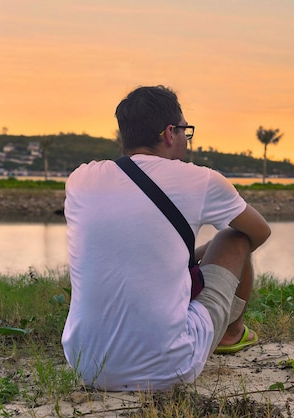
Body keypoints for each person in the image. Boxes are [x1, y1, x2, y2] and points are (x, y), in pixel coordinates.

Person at [61, 85, 271, 391]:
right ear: (170, 133)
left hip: (85, 364)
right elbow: (259, 232)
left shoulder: (81, 179)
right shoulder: (201, 179)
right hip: (168, 368)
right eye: (186, 131)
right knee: (234, 237)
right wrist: (212, 251)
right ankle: (231, 332)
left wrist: (189, 256)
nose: (187, 140)